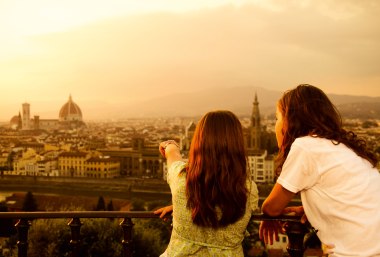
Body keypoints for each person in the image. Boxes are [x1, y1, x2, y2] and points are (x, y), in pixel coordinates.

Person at [259, 84, 380, 256]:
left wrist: (268, 216)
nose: (275, 126)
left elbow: (271, 207)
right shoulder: (343, 147)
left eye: (277, 118)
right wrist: (312, 208)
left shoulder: (305, 146)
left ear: (290, 121)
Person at [154, 110, 259, 257]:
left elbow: (173, 156)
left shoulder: (180, 177)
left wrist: (169, 144)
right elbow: (221, 199)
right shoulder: (248, 189)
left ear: (198, 141)